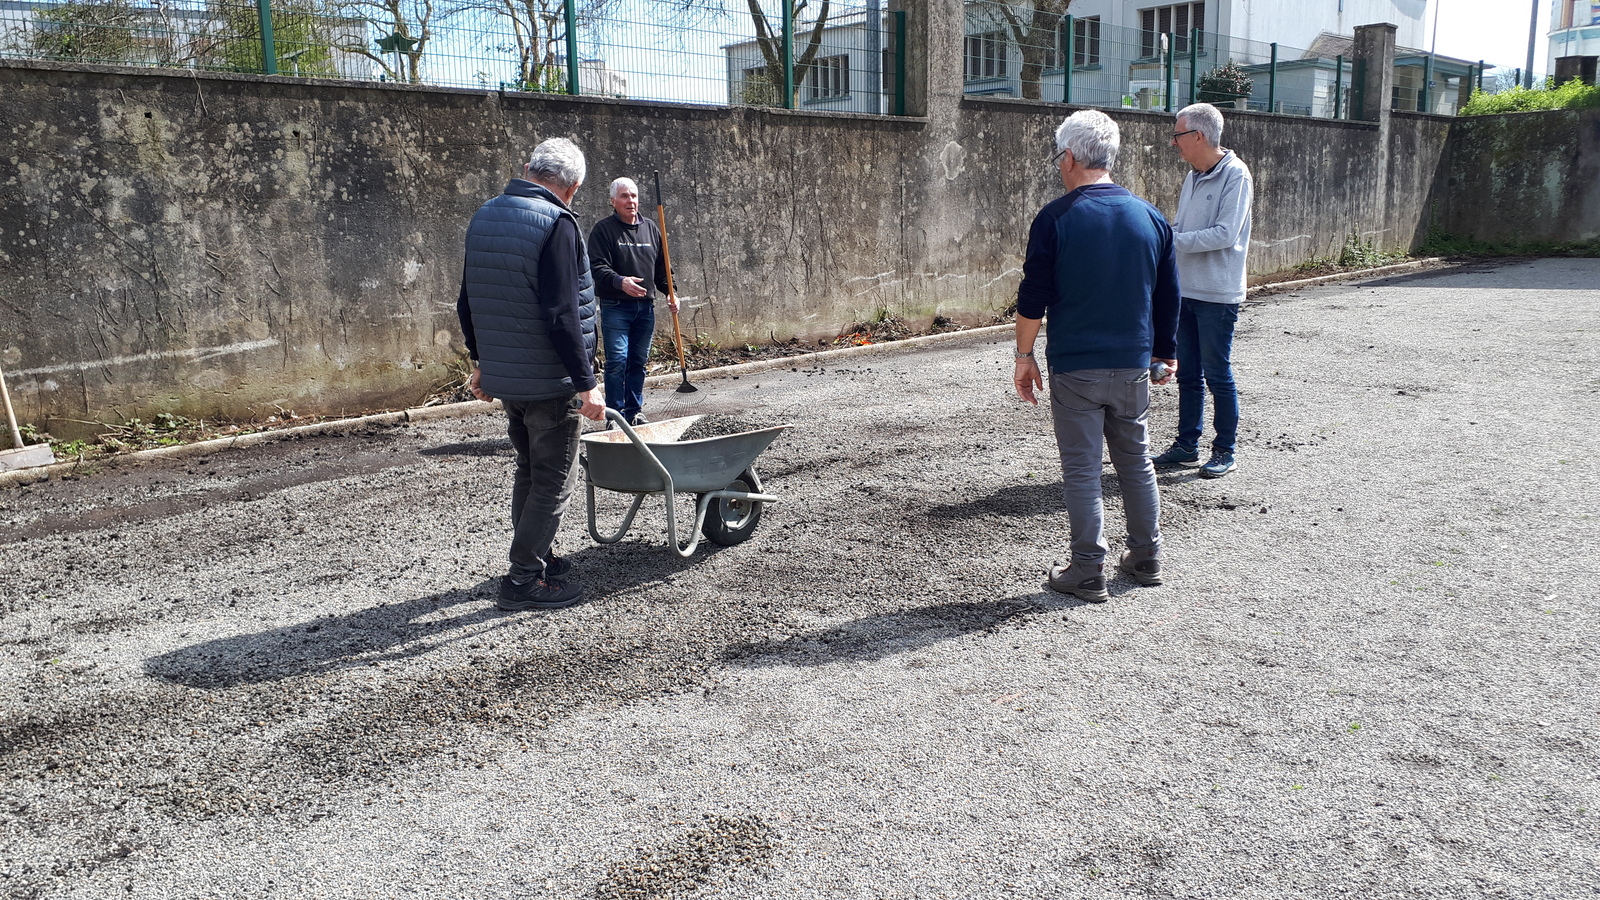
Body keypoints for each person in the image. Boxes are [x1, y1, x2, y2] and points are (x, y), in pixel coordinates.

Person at [1012, 110, 1180, 603]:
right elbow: (1168, 295)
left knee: (1083, 469)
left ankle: (1088, 569)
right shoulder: (1150, 217)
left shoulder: (1056, 218)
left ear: (1068, 157)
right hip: (1132, 366)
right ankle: (1146, 555)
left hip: (1076, 365)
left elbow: (1033, 296)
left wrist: (1024, 356)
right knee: (1137, 461)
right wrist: (1165, 354)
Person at [457, 137, 605, 612]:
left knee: (529, 468)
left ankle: (535, 556)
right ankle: (523, 580)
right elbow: (563, 313)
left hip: (509, 378)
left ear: (527, 168)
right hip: (548, 381)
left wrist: (482, 362)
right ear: (574, 188)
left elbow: (469, 300)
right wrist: (586, 385)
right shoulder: (557, 224)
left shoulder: (485, 215)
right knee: (554, 479)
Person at [1151, 102, 1254, 479]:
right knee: (1189, 373)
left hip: (1217, 294)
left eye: (1178, 135)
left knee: (1217, 373)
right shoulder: (1193, 176)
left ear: (1198, 136)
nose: (1174, 143)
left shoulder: (1236, 176)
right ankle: (1186, 446)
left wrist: (1171, 240)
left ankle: (1225, 449)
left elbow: (1226, 235)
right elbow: (1181, 226)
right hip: (1186, 290)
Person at [587, 177, 674, 426]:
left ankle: (635, 411)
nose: (631, 201)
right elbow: (596, 267)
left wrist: (671, 291)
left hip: (645, 308)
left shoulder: (651, 229)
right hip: (616, 307)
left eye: (634, 196)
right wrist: (620, 281)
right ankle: (615, 415)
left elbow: (663, 269)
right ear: (613, 201)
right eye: (624, 196)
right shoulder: (603, 230)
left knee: (638, 361)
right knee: (617, 361)